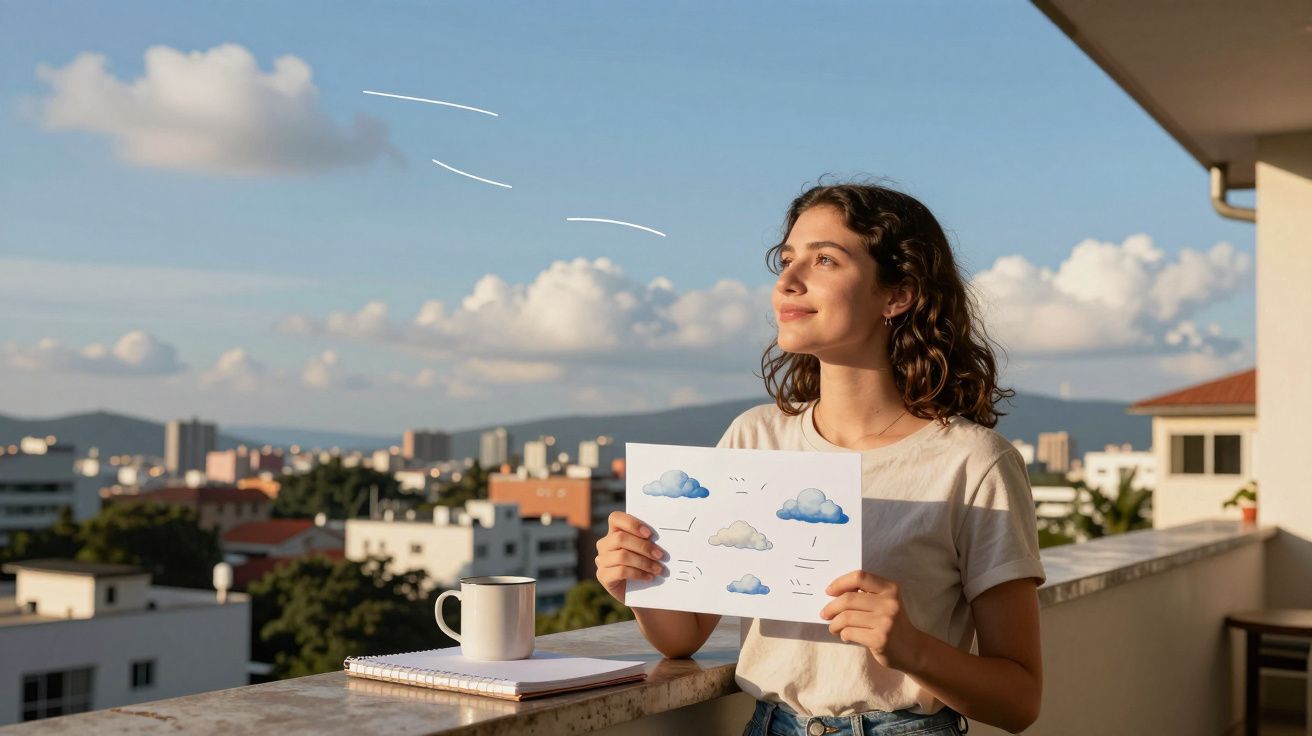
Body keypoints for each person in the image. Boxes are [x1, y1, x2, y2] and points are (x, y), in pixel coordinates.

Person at [595, 179, 1046, 736]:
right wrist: (638, 581)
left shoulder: (975, 463)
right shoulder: (754, 438)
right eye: (786, 260)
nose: (787, 281)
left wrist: (910, 648)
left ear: (897, 294)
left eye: (825, 259)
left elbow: (1020, 701)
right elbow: (683, 637)